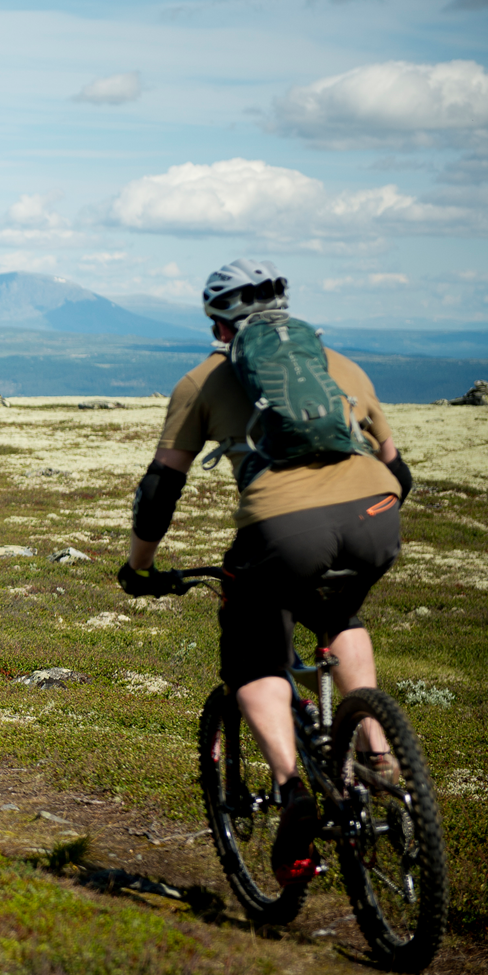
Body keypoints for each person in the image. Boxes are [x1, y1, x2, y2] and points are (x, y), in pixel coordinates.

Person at [119, 258, 413, 889]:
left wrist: (139, 567)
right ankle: (378, 754)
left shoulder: (203, 380)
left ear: (219, 325)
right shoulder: (344, 367)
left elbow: (160, 490)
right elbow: (400, 471)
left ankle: (291, 789)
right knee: (340, 616)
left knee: (253, 660)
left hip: (283, 528)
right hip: (376, 514)